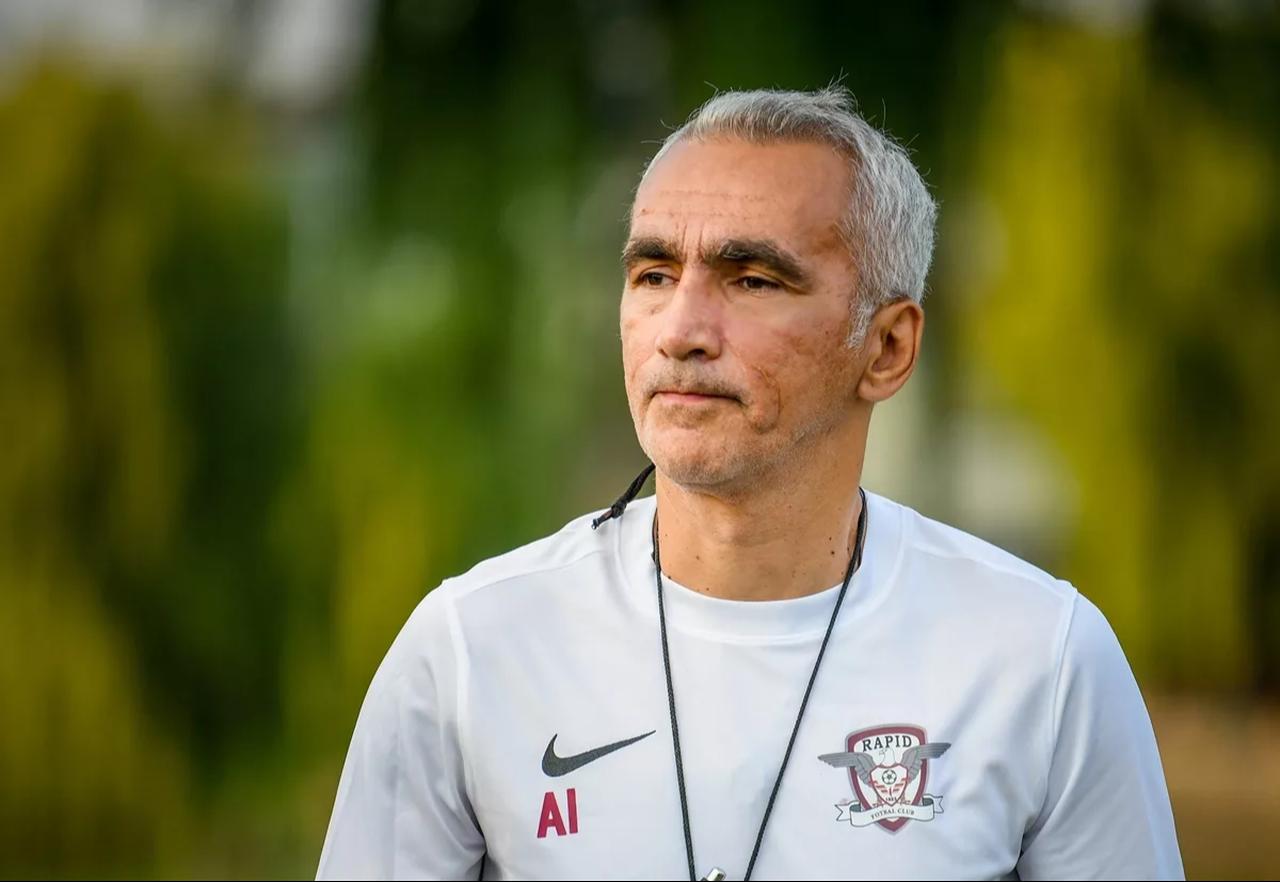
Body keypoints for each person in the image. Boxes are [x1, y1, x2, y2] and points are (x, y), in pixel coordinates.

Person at [316, 87, 1183, 881]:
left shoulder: (1042, 660)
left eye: (753, 280)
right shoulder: (470, 649)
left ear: (887, 348)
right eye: (654, 275)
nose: (682, 329)